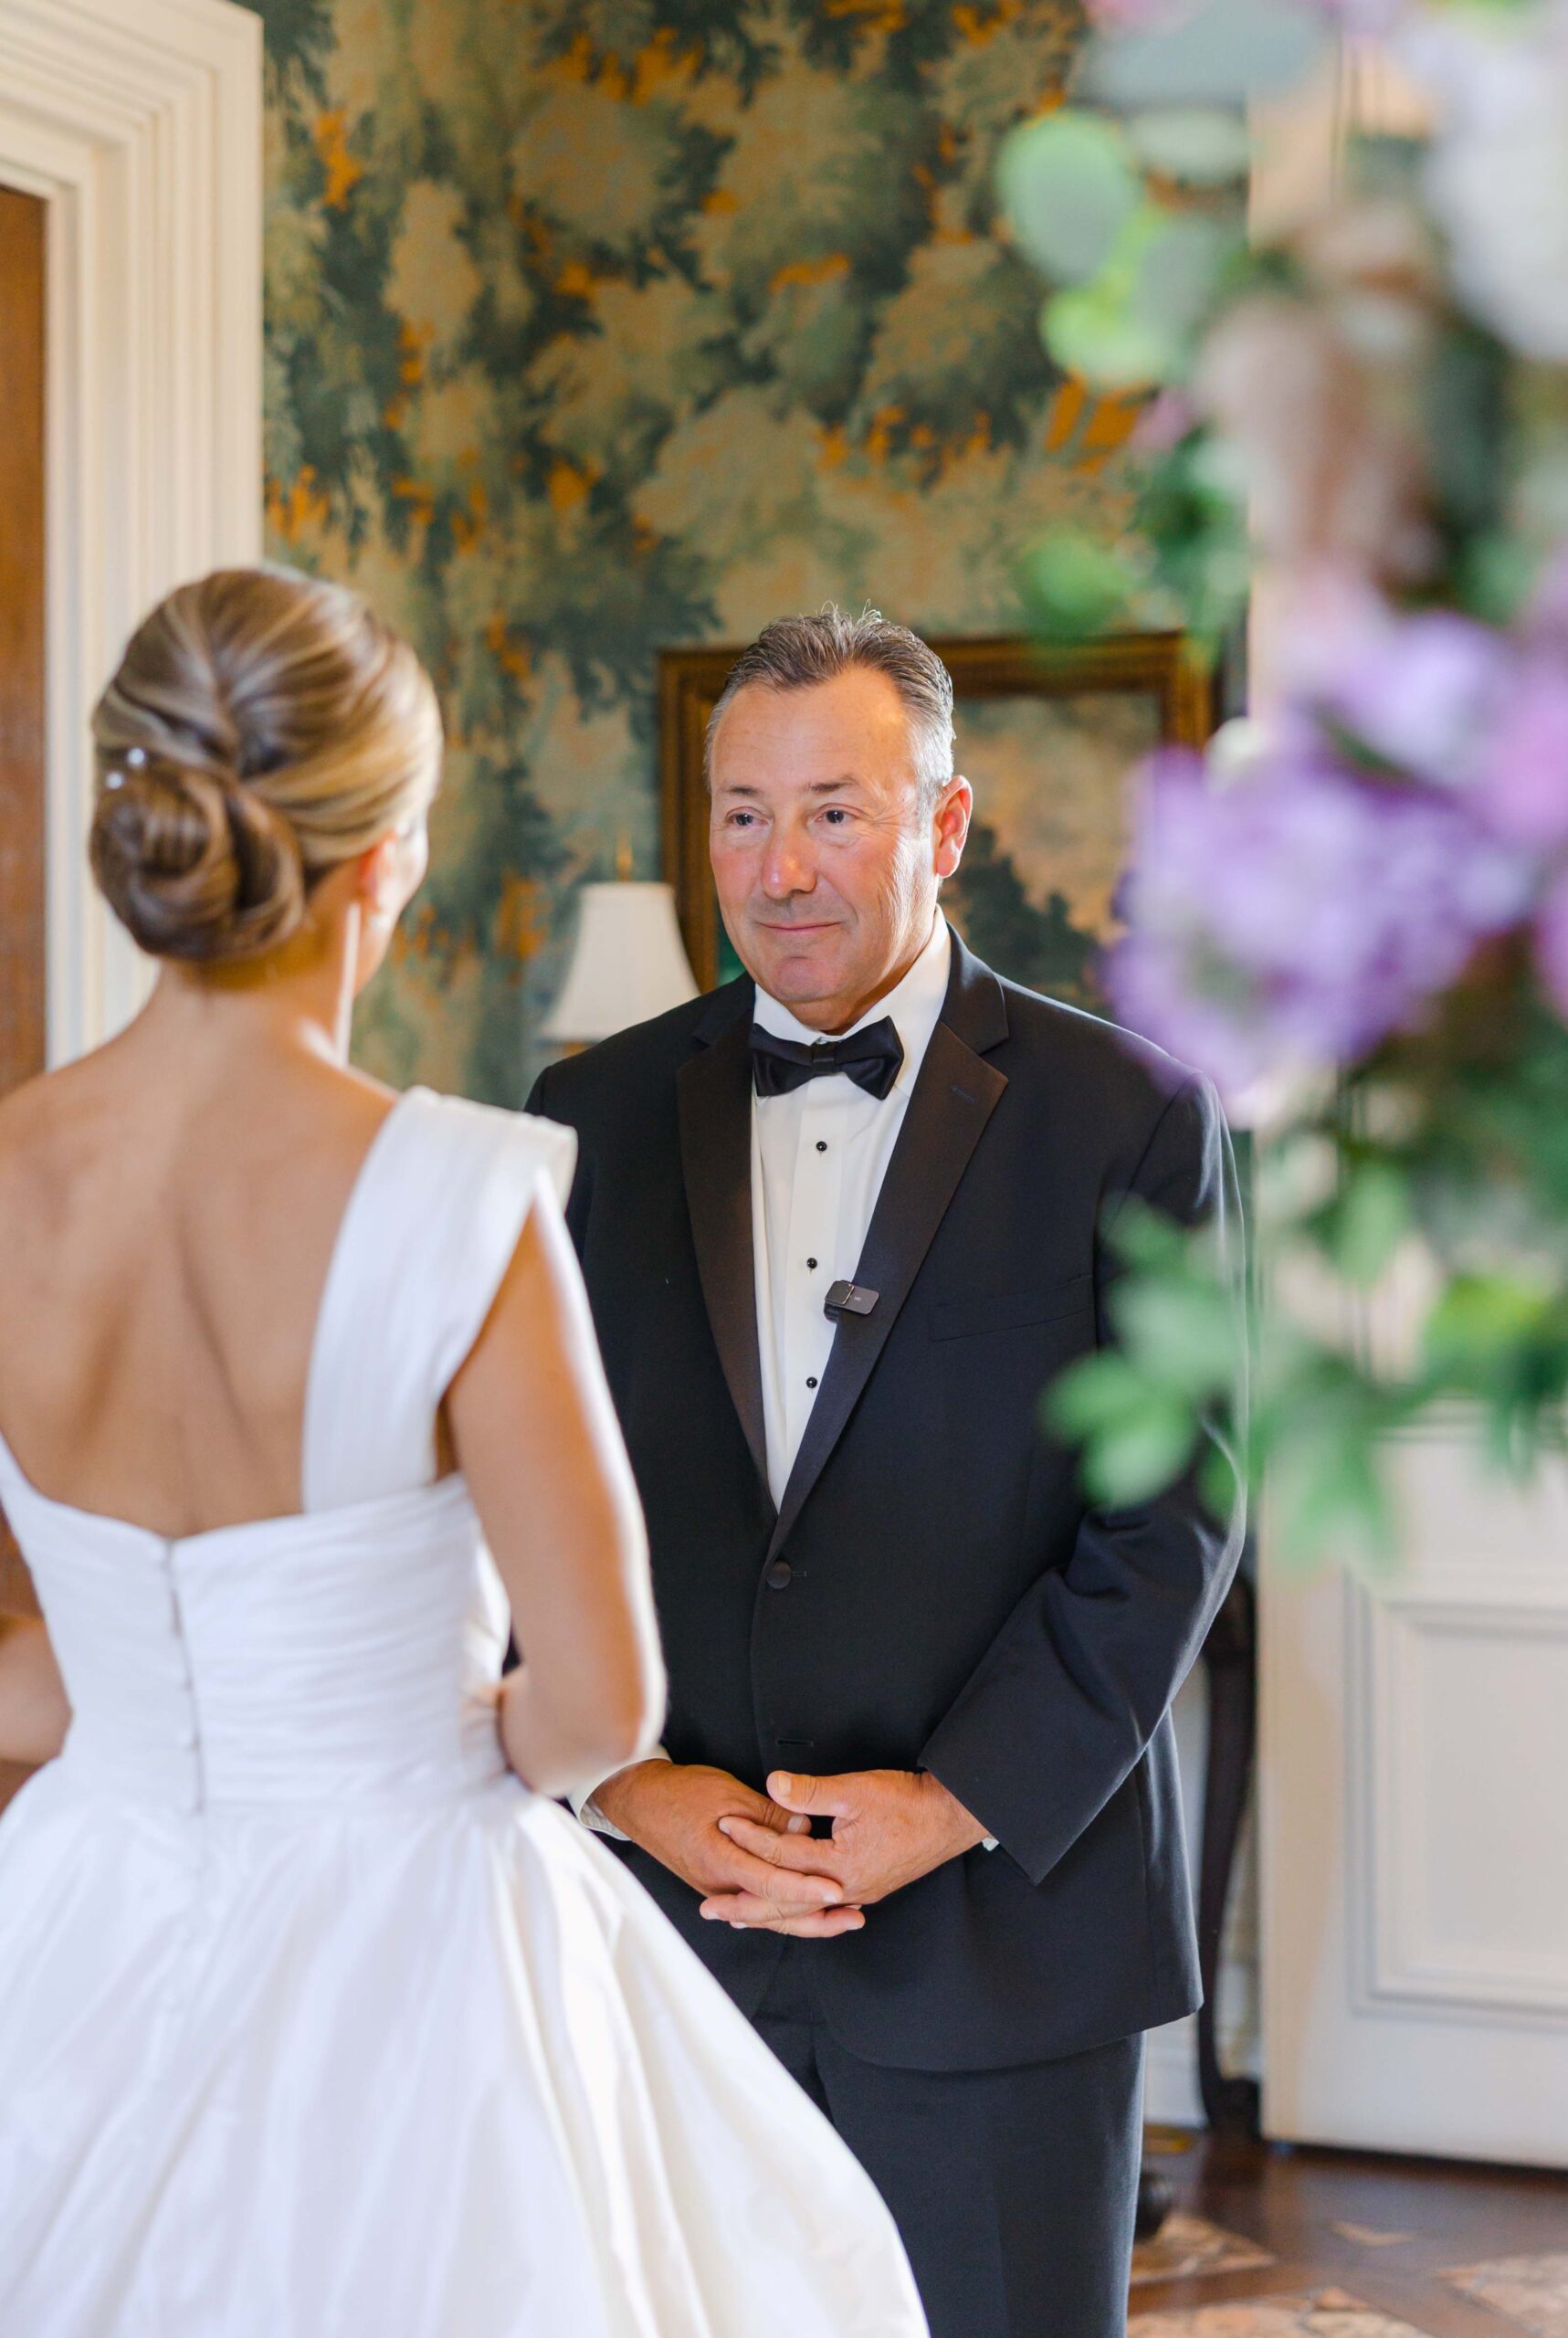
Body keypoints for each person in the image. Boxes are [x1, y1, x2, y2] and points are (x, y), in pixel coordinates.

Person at [0, 568, 927, 2338]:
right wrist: (366, 1722)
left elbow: (41, 1682)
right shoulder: (453, 1190)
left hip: (82, 1926)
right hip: (405, 1949)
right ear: (386, 859)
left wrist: (157, 1710)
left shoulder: (11, 1174)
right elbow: (593, 1697)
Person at [527, 607, 1247, 2338]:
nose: (779, 869)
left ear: (943, 821)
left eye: (835, 811)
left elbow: (1169, 1521)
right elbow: (514, 1495)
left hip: (998, 1936)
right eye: (741, 812)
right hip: (664, 1928)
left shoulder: (1129, 1112)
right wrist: (622, 1778)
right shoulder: (586, 1113)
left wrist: (949, 1804)